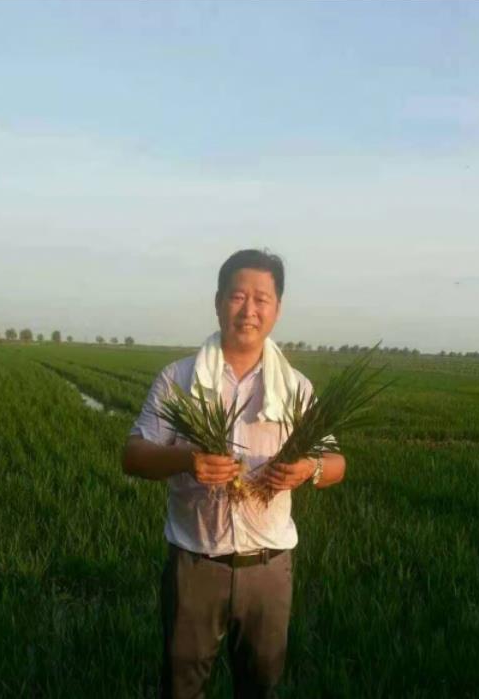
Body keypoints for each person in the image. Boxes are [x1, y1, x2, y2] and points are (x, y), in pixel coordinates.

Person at [123, 249, 346, 699]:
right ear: (218, 301)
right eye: (238, 296)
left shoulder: (295, 387)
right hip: (195, 565)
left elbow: (336, 464)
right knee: (182, 687)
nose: (249, 310)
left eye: (262, 299)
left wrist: (309, 468)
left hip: (269, 568)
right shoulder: (178, 379)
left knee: (260, 686)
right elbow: (133, 456)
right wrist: (186, 460)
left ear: (277, 308)